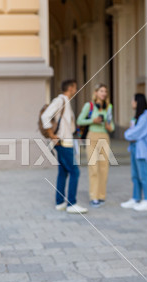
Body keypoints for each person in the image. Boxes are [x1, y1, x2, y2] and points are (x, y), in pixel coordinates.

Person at [41, 79, 88, 214]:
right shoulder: (60, 100)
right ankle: (71, 203)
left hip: (65, 141)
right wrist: (52, 135)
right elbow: (45, 116)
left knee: (63, 172)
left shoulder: (65, 102)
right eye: (75, 87)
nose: (76, 90)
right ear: (71, 88)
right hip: (63, 143)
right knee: (75, 172)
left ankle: (60, 202)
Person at [76, 83, 114, 208]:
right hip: (91, 136)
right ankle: (94, 197)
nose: (104, 93)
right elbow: (79, 120)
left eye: (105, 91)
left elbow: (111, 126)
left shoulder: (108, 107)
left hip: (104, 137)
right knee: (93, 167)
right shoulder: (89, 106)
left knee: (104, 168)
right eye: (101, 91)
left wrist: (109, 126)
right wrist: (93, 120)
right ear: (96, 92)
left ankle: (101, 196)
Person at [121, 93, 147, 211]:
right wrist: (130, 135)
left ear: (138, 102)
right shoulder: (138, 116)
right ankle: (136, 197)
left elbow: (136, 132)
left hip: (142, 150)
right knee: (135, 175)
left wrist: (127, 134)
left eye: (133, 100)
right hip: (134, 148)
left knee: (144, 175)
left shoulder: (145, 117)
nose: (132, 103)